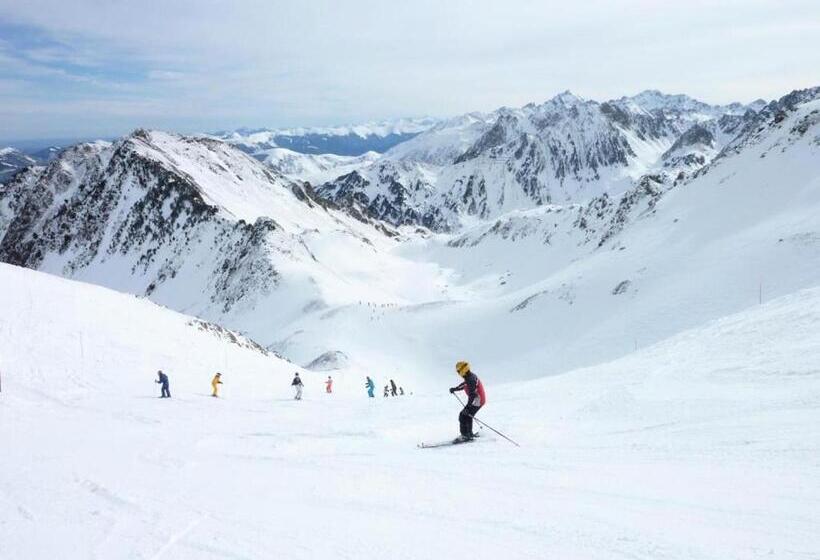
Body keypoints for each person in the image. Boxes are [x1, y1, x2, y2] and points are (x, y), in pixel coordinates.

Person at [449, 361, 486, 442]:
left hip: (478, 400)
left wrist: (468, 407)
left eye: (458, 371)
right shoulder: (469, 376)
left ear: (463, 370)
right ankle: (469, 434)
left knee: (462, 416)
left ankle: (465, 436)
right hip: (478, 400)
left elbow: (472, 395)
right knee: (468, 416)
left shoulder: (470, 379)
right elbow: (464, 384)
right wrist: (455, 389)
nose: (458, 373)